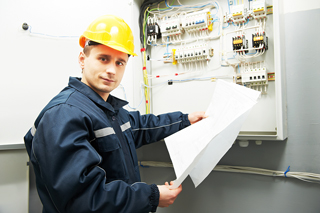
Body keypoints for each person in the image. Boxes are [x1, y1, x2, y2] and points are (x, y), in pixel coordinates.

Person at [24, 15, 206, 213]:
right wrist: (152, 196)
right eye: (103, 59)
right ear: (82, 59)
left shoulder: (108, 109)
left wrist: (185, 120)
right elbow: (82, 199)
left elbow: (141, 127)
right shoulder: (63, 114)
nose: (111, 70)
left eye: (120, 63)